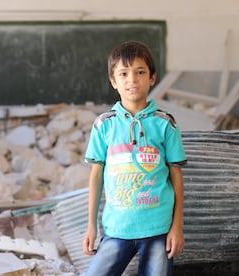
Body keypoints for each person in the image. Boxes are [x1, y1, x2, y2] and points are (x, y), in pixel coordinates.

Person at [82, 40, 187, 276]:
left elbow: (176, 177)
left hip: (158, 230)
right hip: (117, 228)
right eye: (123, 73)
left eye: (140, 72)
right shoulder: (104, 124)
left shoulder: (165, 123)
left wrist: (177, 227)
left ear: (152, 78)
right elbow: (96, 176)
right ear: (113, 81)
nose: (132, 79)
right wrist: (90, 226)